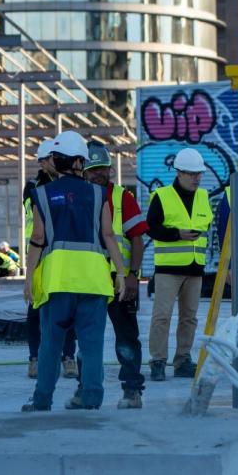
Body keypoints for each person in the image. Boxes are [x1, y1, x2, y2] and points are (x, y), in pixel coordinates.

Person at [22, 131, 126, 412]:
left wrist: (29, 278)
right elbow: (108, 235)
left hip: (57, 281)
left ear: (56, 160)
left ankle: (42, 399)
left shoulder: (41, 194)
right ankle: (91, 397)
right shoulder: (99, 194)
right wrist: (121, 273)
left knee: (50, 345)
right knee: (92, 345)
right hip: (94, 282)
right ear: (81, 161)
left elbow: (38, 238)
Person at [80, 140, 149, 408]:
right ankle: (84, 389)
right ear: (83, 171)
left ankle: (132, 391)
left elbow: (137, 239)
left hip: (118, 281)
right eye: (93, 169)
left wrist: (132, 275)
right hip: (88, 280)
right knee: (86, 337)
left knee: (127, 337)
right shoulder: (79, 199)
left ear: (110, 169)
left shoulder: (122, 197)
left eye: (103, 168)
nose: (98, 174)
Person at [145, 147, 212, 381]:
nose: (197, 178)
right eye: (192, 174)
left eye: (199, 173)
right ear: (179, 173)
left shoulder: (203, 197)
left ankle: (183, 360)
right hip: (168, 270)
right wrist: (177, 235)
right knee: (162, 316)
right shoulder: (162, 196)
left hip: (195, 269)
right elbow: (151, 228)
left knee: (189, 318)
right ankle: (158, 361)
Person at [24, 138, 58, 379]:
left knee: (67, 304)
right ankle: (34, 358)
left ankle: (67, 356)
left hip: (63, 249)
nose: (56, 163)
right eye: (51, 159)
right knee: (36, 306)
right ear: (43, 163)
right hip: (39, 251)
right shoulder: (34, 187)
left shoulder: (69, 182)